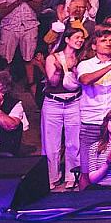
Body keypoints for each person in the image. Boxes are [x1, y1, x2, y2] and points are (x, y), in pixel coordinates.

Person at [41, 24, 88, 190]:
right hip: (53, 103)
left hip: (74, 102)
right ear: (67, 40)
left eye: (82, 38)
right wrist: (60, 71)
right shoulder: (53, 58)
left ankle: (71, 175)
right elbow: (53, 82)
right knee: (51, 144)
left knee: (73, 143)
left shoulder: (82, 59)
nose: (80, 40)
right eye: (77, 37)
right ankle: (51, 177)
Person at [76, 29, 111, 151]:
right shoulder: (85, 64)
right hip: (92, 120)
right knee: (88, 166)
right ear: (94, 46)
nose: (108, 43)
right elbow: (85, 80)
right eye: (103, 41)